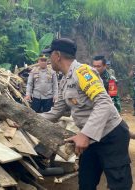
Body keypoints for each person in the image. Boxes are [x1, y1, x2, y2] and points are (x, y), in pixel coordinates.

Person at [41, 38, 132, 190]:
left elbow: (104, 102)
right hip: (91, 140)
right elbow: (56, 112)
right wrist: (28, 119)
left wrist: (85, 134)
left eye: (50, 55)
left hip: (111, 136)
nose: (49, 59)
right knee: (86, 183)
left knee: (119, 185)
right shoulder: (65, 81)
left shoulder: (83, 72)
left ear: (57, 55)